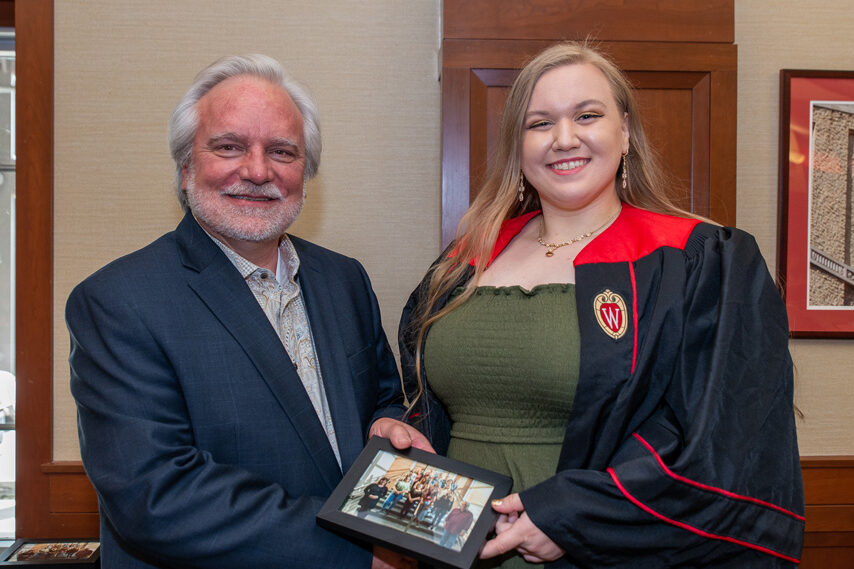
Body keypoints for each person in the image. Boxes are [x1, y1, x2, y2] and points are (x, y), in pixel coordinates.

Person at [399, 42, 804, 568]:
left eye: (587, 115)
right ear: (517, 146)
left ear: (626, 131)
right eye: (539, 123)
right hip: (453, 551)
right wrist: (400, 424)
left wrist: (577, 515)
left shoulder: (698, 261)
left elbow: (725, 445)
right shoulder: (461, 262)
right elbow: (422, 396)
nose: (564, 139)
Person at [67, 54, 428, 569]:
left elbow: (385, 399)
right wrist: (353, 555)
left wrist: (390, 426)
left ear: (306, 172)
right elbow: (156, 498)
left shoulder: (344, 279)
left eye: (282, 151)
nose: (258, 171)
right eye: (229, 147)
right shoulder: (117, 301)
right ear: (187, 166)